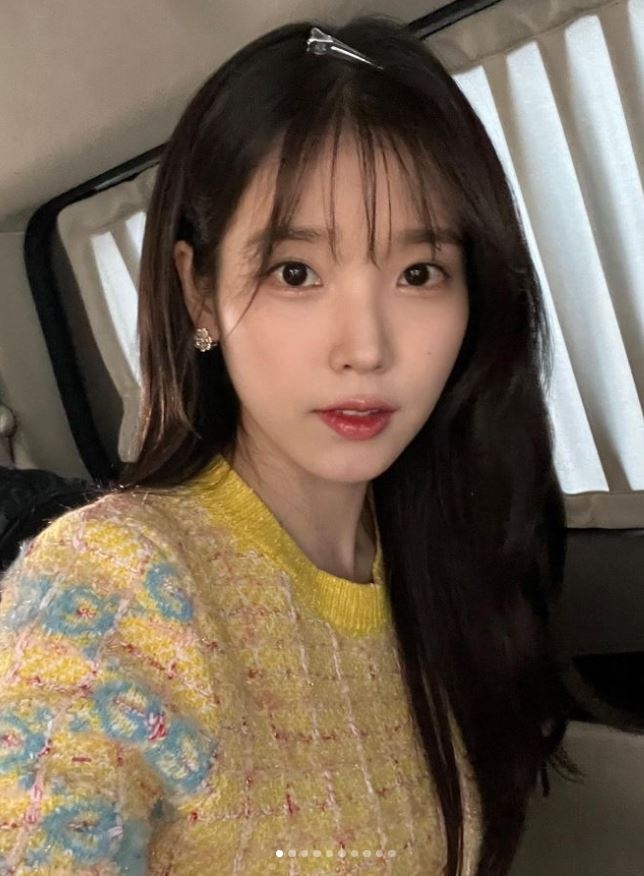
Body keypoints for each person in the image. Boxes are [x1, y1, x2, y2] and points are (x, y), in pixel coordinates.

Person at [0, 16, 585, 876]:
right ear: (199, 292)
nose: (366, 348)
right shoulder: (112, 585)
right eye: (296, 273)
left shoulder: (441, 557)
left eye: (418, 273)